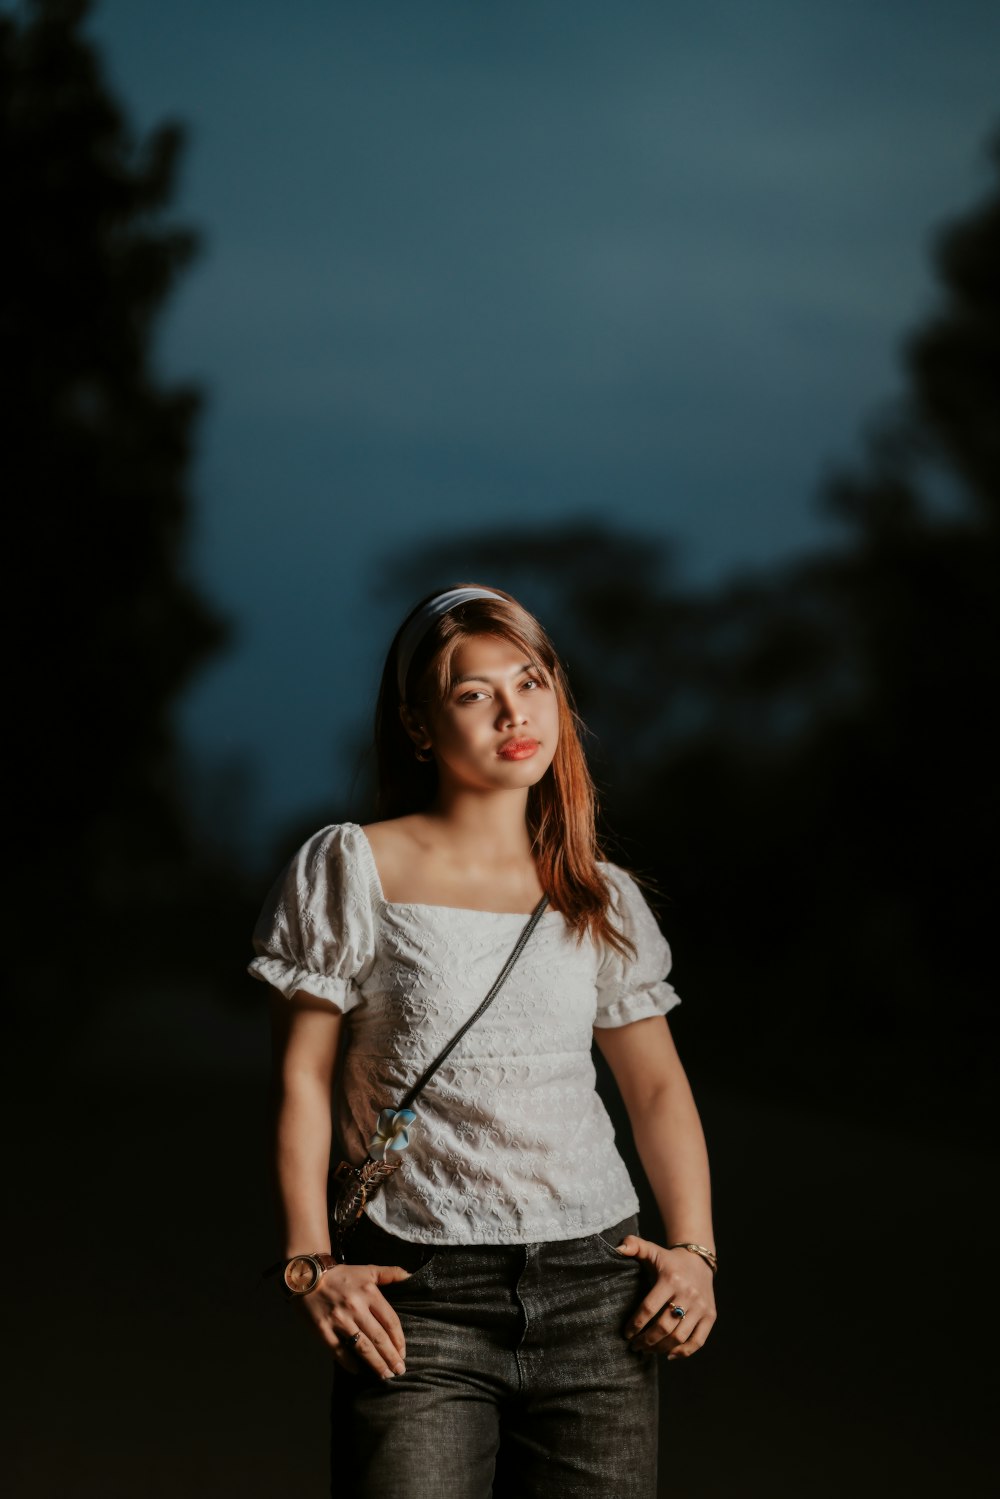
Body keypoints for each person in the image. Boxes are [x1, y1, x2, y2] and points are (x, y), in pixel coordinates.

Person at [250, 584, 717, 1499]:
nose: (515, 711)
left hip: (600, 1297)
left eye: (532, 680)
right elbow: (301, 1082)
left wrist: (696, 1253)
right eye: (473, 692)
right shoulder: (352, 865)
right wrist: (311, 1264)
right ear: (419, 726)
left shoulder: (599, 892)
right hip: (418, 1299)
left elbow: (657, 1089)